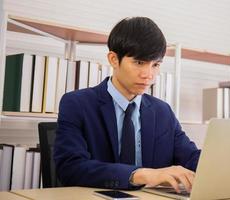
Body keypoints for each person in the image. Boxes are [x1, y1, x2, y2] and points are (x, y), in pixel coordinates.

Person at [54, 16, 200, 193]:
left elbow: (191, 157)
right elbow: (70, 168)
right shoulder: (77, 104)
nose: (148, 75)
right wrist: (141, 175)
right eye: (139, 62)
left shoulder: (162, 111)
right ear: (114, 59)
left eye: (155, 65)